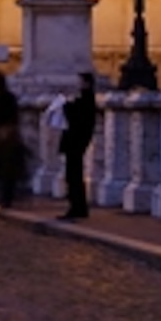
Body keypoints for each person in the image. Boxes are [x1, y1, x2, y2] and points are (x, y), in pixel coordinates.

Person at [58, 74, 102, 219]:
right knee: (74, 175)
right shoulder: (86, 99)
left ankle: (77, 207)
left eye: (81, 82)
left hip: (76, 142)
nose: (79, 85)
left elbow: (77, 118)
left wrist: (66, 107)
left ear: (87, 83)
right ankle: (78, 207)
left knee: (73, 176)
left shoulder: (86, 100)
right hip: (77, 141)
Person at [0, 76, 30, 210]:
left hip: (2, 138)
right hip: (9, 137)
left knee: (2, 169)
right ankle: (7, 196)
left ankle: (5, 197)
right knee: (8, 170)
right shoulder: (9, 98)